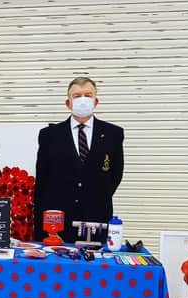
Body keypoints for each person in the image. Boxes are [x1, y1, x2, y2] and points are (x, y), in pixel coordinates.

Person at [33, 77, 124, 243]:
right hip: (58, 225)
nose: (83, 100)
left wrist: (95, 195)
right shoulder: (49, 136)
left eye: (88, 95)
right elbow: (42, 181)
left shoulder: (113, 134)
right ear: (68, 103)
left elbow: (115, 175)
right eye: (77, 96)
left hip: (96, 220)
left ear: (96, 101)